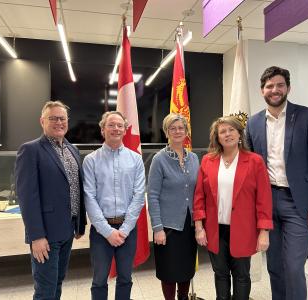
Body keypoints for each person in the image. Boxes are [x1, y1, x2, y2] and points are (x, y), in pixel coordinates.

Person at [246, 66, 308, 300]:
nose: (275, 90)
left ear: (288, 88)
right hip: (266, 202)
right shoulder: (252, 124)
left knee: (293, 267)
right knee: (274, 265)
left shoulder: (307, 116)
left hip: (298, 204)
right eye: (270, 86)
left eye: (280, 85)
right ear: (262, 90)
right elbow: (250, 167)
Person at [193, 114, 273, 300]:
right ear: (217, 137)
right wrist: (199, 227)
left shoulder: (254, 161)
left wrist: (264, 231)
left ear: (239, 134)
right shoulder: (207, 161)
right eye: (222, 131)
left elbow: (264, 199)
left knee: (242, 276)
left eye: (231, 130)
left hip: (244, 229)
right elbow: (199, 197)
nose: (227, 134)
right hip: (215, 230)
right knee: (220, 274)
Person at [15, 100, 86, 300]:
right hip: (45, 235)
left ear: (67, 122)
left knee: (58, 281)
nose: (58, 122)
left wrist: (79, 224)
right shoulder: (30, 150)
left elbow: (76, 188)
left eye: (62, 118)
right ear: (42, 121)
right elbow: (27, 197)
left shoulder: (73, 150)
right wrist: (36, 236)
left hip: (68, 230)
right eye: (53, 118)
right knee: (45, 289)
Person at [83, 111, 146, 300]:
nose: (116, 129)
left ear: (125, 130)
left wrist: (125, 230)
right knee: (100, 279)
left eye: (120, 125)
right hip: (101, 231)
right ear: (103, 130)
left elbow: (138, 196)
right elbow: (89, 197)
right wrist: (107, 231)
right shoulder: (91, 160)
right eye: (111, 125)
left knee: (125, 278)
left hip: (128, 230)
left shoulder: (135, 159)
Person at [147, 113, 199, 300]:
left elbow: (198, 192)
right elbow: (152, 196)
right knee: (169, 271)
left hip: (190, 226)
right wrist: (157, 228)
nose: (177, 131)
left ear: (186, 131)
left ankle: (183, 297)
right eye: (173, 128)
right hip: (167, 228)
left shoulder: (194, 158)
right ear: (166, 131)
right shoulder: (159, 159)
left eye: (181, 128)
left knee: (186, 269)